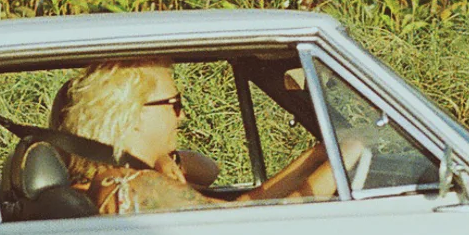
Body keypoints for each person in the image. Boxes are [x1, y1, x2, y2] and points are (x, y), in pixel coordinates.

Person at [51, 62, 340, 215]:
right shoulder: (136, 187)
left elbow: (239, 209)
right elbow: (249, 229)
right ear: (134, 115)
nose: (182, 116)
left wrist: (316, 156)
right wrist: (342, 163)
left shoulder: (116, 182)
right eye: (174, 104)